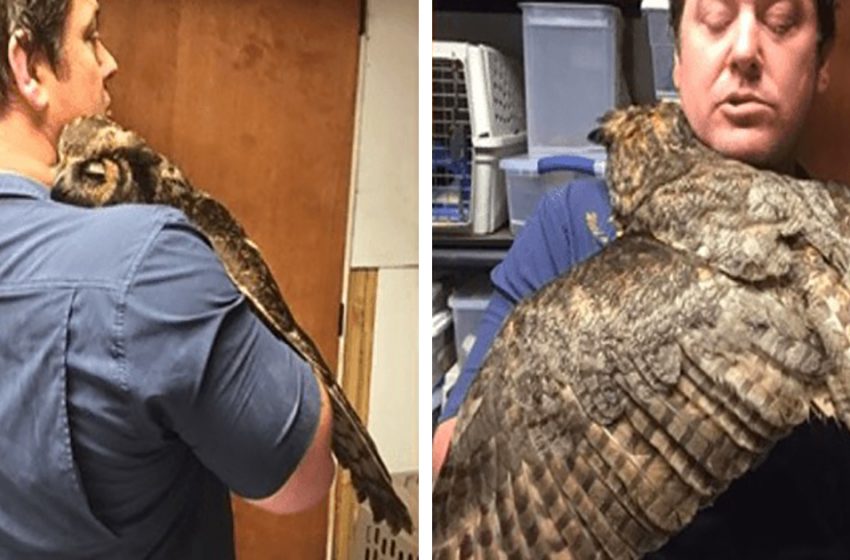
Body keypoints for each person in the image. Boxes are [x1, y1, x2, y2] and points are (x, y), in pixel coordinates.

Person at [434, 0, 850, 557]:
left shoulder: (837, 234)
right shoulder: (575, 224)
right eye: (717, 19)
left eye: (780, 22)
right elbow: (459, 490)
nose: (746, 51)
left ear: (821, 61)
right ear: (678, 57)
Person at [0, 0, 334, 558]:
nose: (109, 63)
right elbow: (302, 475)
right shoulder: (145, 264)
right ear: (28, 66)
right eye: (91, 37)